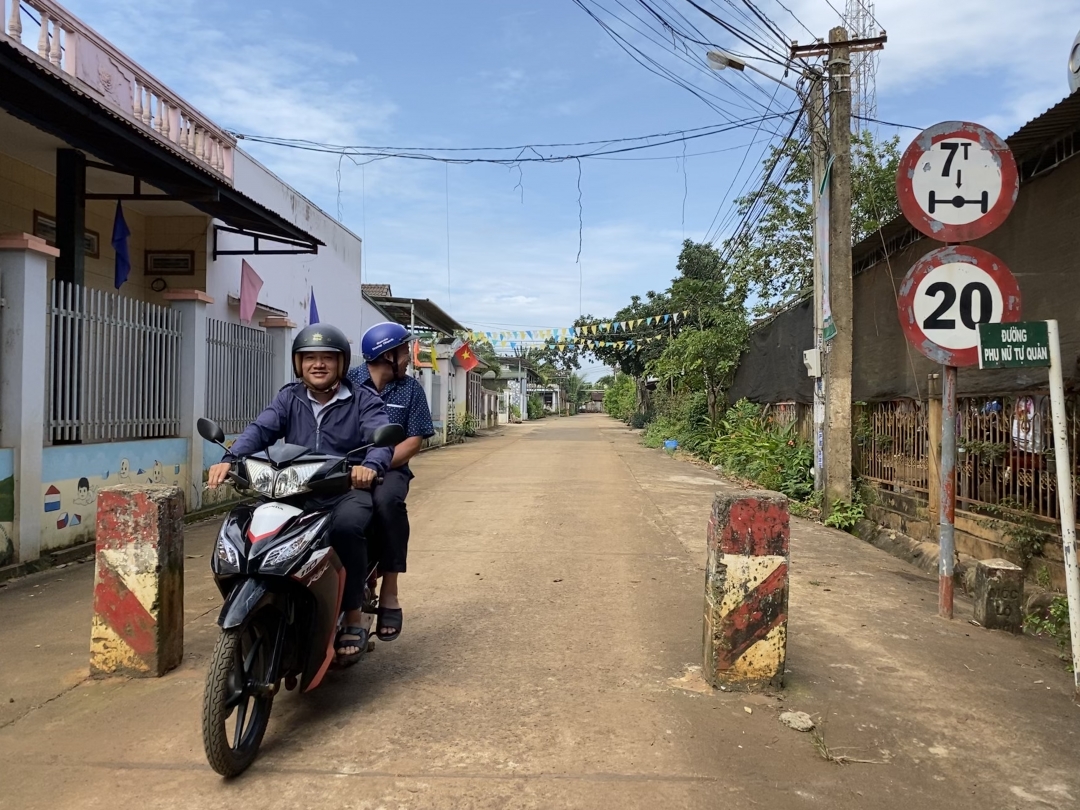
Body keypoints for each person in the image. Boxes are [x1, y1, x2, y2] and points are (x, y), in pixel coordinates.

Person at [207, 324, 393, 665]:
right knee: (252, 527)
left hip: (343, 489)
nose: (318, 364)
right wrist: (230, 459)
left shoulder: (362, 398)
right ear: (298, 364)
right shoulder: (288, 398)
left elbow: (380, 438)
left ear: (340, 363)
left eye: (327, 358)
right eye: (309, 358)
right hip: (293, 488)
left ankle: (352, 615)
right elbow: (261, 429)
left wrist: (370, 466)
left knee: (347, 527)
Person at [348, 322, 435, 642]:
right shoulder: (348, 382)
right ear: (387, 355)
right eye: (403, 351)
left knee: (388, 503)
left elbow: (414, 441)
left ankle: (390, 591)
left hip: (392, 469)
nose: (409, 357)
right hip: (346, 468)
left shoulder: (411, 389)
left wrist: (378, 464)